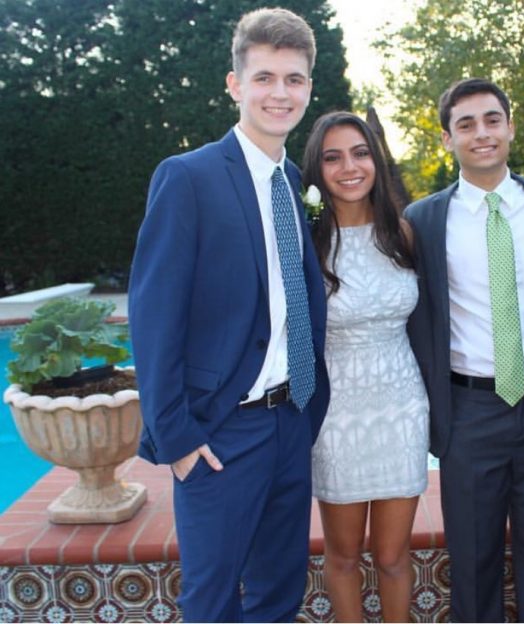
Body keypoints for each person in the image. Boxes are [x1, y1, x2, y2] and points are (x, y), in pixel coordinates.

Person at [128, 8, 329, 622]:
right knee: (212, 603)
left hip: (291, 421)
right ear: (235, 84)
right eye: (264, 77)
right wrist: (178, 439)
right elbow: (153, 318)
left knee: (277, 594)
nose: (280, 93)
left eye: (293, 80)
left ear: (308, 90)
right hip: (219, 433)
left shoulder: (296, 184)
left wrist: (307, 409)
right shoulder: (187, 178)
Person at [405, 78, 524, 622]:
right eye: (466, 124)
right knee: (472, 557)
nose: (482, 133)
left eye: (492, 119)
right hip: (470, 412)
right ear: (447, 139)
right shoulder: (423, 220)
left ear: (510, 126)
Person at [301, 111, 428, 622]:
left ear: (376, 159)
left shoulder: (403, 233)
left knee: (395, 556)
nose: (348, 167)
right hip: (336, 416)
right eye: (332, 157)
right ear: (317, 169)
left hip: (402, 408)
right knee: (345, 555)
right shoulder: (306, 244)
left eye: (359, 153)